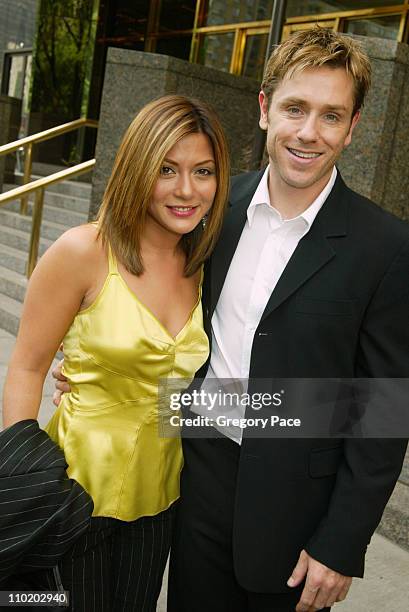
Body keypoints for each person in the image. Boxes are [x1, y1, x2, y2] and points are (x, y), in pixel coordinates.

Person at [163, 28, 408, 612]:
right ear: (265, 109)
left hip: (301, 520)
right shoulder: (211, 211)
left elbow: (385, 406)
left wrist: (343, 542)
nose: (308, 132)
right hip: (198, 486)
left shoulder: (387, 247)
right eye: (295, 108)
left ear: (352, 130)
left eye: (331, 116)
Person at [2, 94, 230, 611]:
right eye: (167, 169)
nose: (187, 189)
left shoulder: (205, 264)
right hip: (72, 491)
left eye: (204, 171)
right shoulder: (84, 251)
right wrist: (29, 478)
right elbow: (27, 366)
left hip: (162, 499)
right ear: (136, 169)